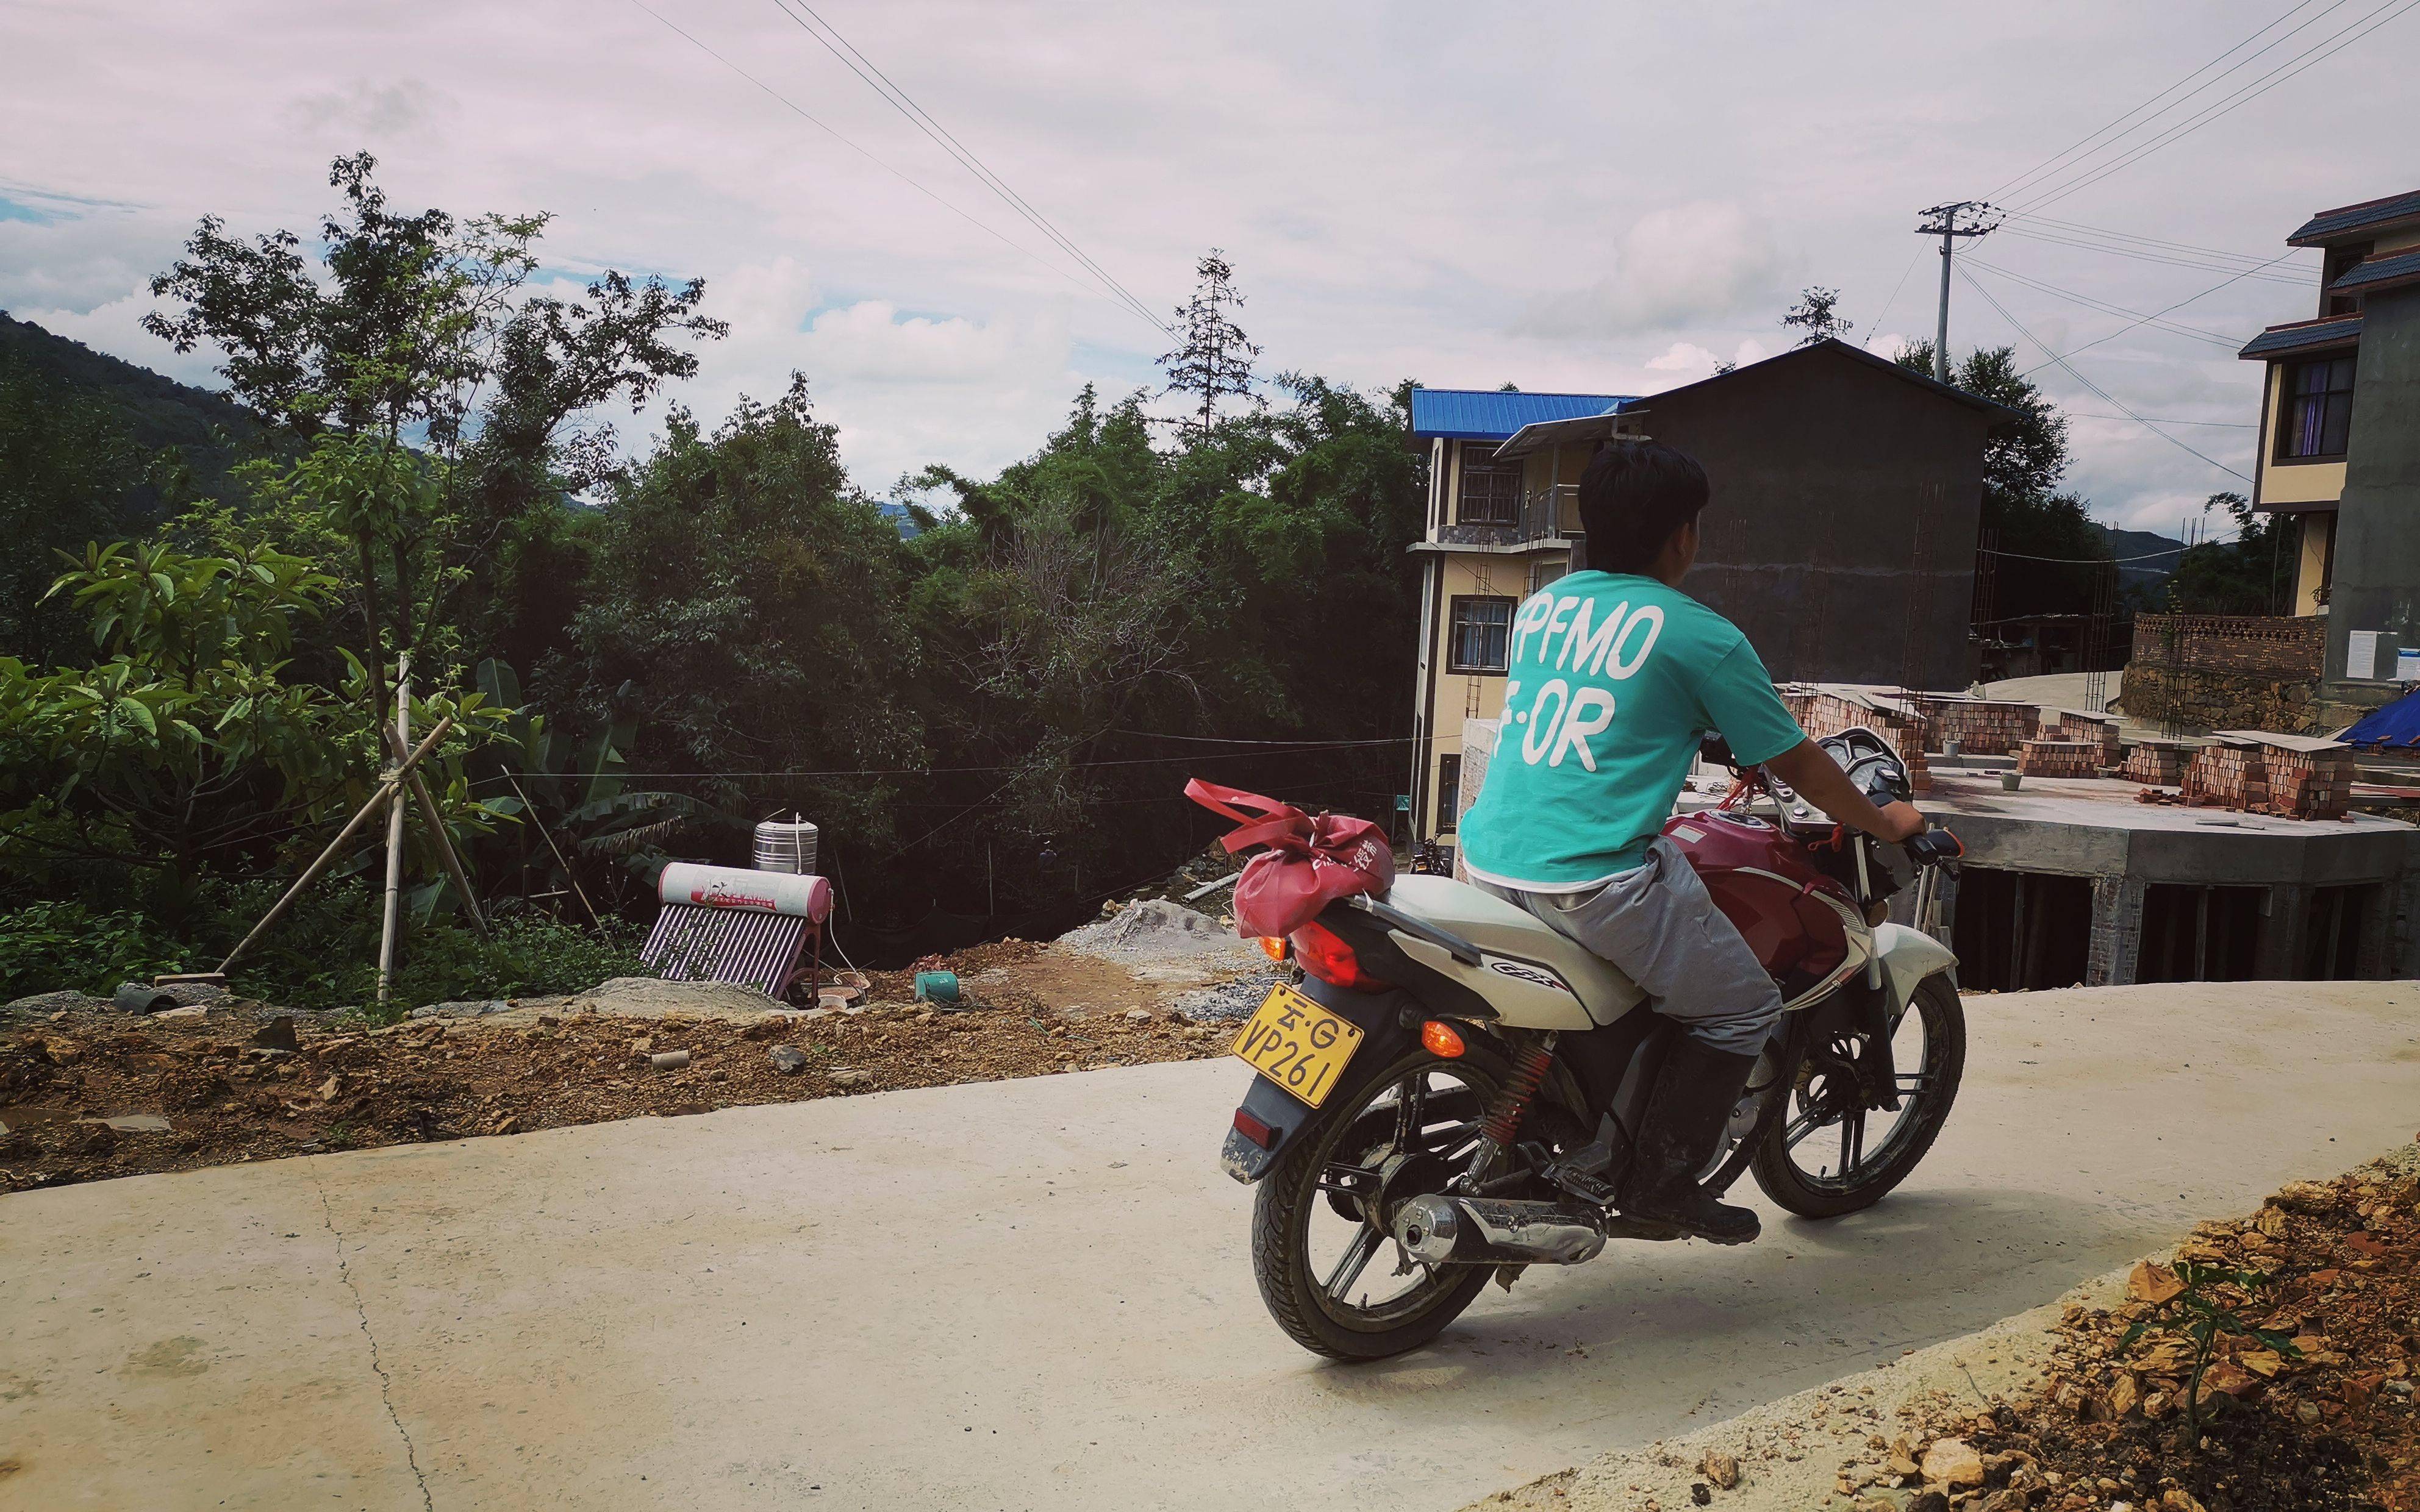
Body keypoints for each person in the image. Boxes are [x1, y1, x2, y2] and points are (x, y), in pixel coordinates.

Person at [1455, 441, 1924, 1245]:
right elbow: (1799, 761)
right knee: (1742, 1005)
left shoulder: (1544, 607)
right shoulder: (1703, 638)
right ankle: (1661, 1185)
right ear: (1683, 536)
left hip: (1490, 859)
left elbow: (1606, 704)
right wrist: (1885, 823)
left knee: (1669, 904)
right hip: (1593, 882)